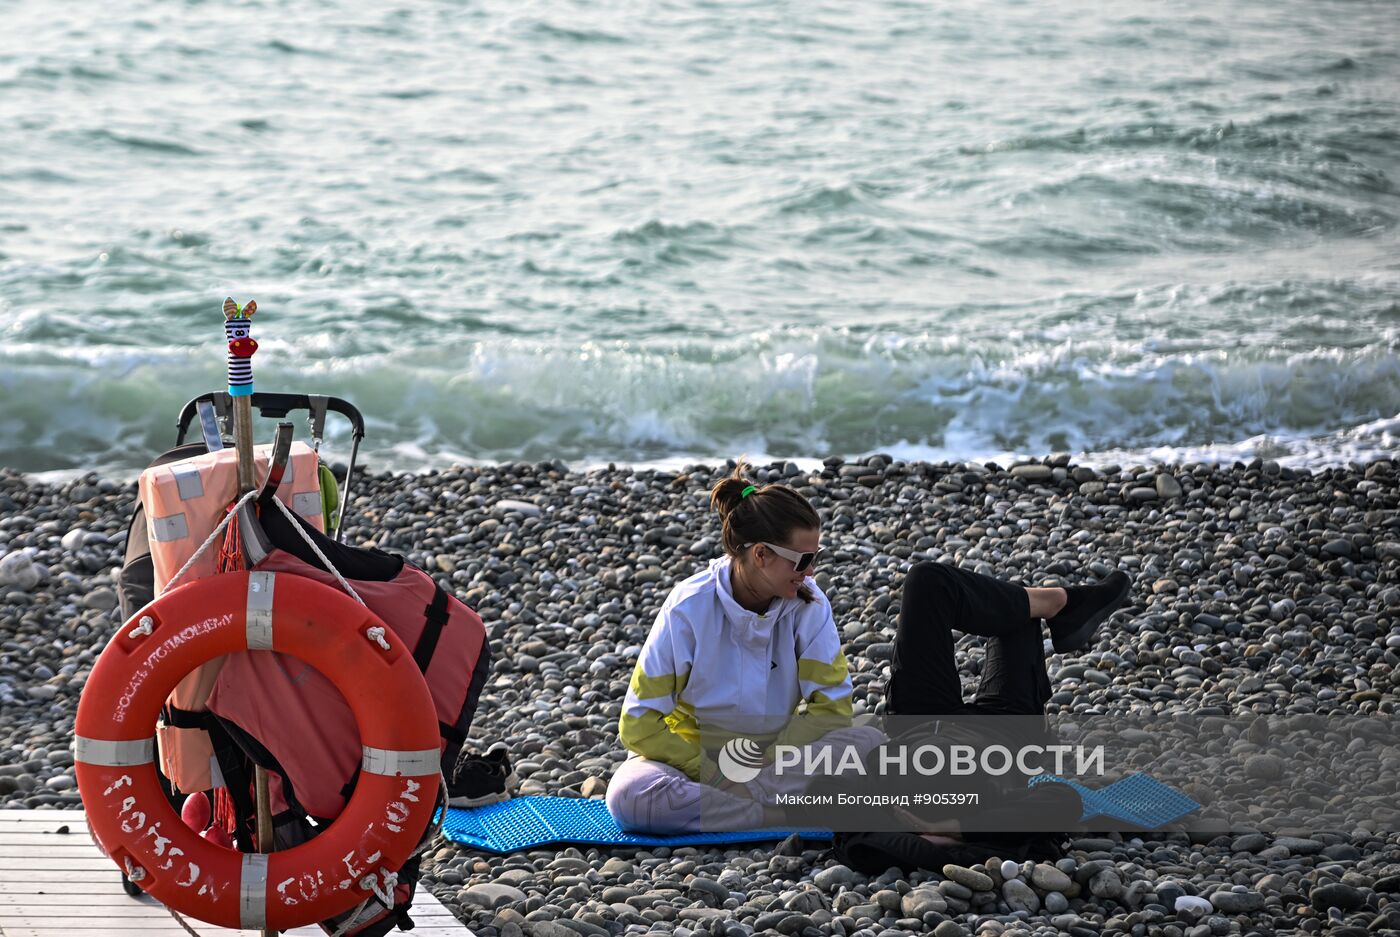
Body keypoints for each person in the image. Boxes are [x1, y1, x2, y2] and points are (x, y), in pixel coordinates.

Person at [606, 459, 1131, 837]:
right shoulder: (688, 610)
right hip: (709, 764)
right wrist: (723, 773)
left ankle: (1056, 605)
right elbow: (639, 726)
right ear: (762, 555)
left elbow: (832, 714)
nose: (812, 573)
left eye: (816, 557)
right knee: (631, 796)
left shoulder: (807, 606)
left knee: (858, 740)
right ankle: (1060, 603)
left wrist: (941, 826)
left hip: (831, 752)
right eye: (803, 560)